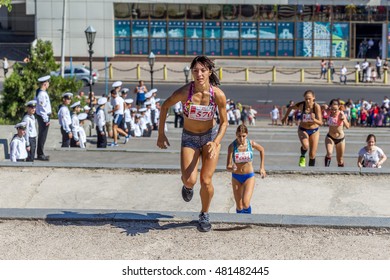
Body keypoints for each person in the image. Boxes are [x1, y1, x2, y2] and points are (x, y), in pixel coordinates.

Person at [157, 55, 228, 232]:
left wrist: (216, 142)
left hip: (210, 137)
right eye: (195, 70)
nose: (199, 74)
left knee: (206, 180)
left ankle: (204, 214)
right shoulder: (184, 92)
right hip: (189, 137)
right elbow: (165, 106)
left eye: (203, 70)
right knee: (190, 180)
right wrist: (160, 134)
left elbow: (225, 122)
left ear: (209, 72)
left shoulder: (217, 94)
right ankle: (187, 187)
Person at [226, 124, 266, 214]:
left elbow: (262, 150)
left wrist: (262, 167)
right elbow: (227, 166)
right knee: (239, 206)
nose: (241, 138)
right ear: (236, 135)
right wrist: (231, 167)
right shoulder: (232, 146)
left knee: (245, 203)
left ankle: (248, 220)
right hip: (236, 177)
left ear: (247, 134)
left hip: (249, 176)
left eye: (243, 136)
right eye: (239, 136)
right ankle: (240, 223)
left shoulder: (250, 144)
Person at [282, 90, 322, 167]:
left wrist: (314, 119)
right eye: (306, 99)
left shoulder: (316, 107)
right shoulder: (301, 105)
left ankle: (311, 170)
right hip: (303, 129)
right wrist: (285, 117)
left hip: (314, 130)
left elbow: (320, 122)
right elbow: (290, 108)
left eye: (309, 99)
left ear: (313, 98)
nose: (307, 101)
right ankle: (302, 156)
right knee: (306, 145)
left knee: (312, 154)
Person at [324, 99, 350, 167]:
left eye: (335, 109)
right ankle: (326, 169)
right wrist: (324, 107)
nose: (334, 111)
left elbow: (348, 126)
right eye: (332, 109)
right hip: (330, 137)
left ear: (339, 107)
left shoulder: (341, 114)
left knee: (340, 160)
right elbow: (322, 107)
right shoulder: (329, 112)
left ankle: (341, 173)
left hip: (340, 139)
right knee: (329, 153)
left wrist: (343, 119)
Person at [35, 75, 52, 161]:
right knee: (42, 136)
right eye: (48, 82)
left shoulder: (40, 92)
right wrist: (46, 119)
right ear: (45, 84)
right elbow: (42, 109)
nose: (49, 84)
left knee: (42, 135)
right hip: (43, 117)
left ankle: (41, 153)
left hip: (43, 116)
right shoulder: (41, 94)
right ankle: (40, 154)